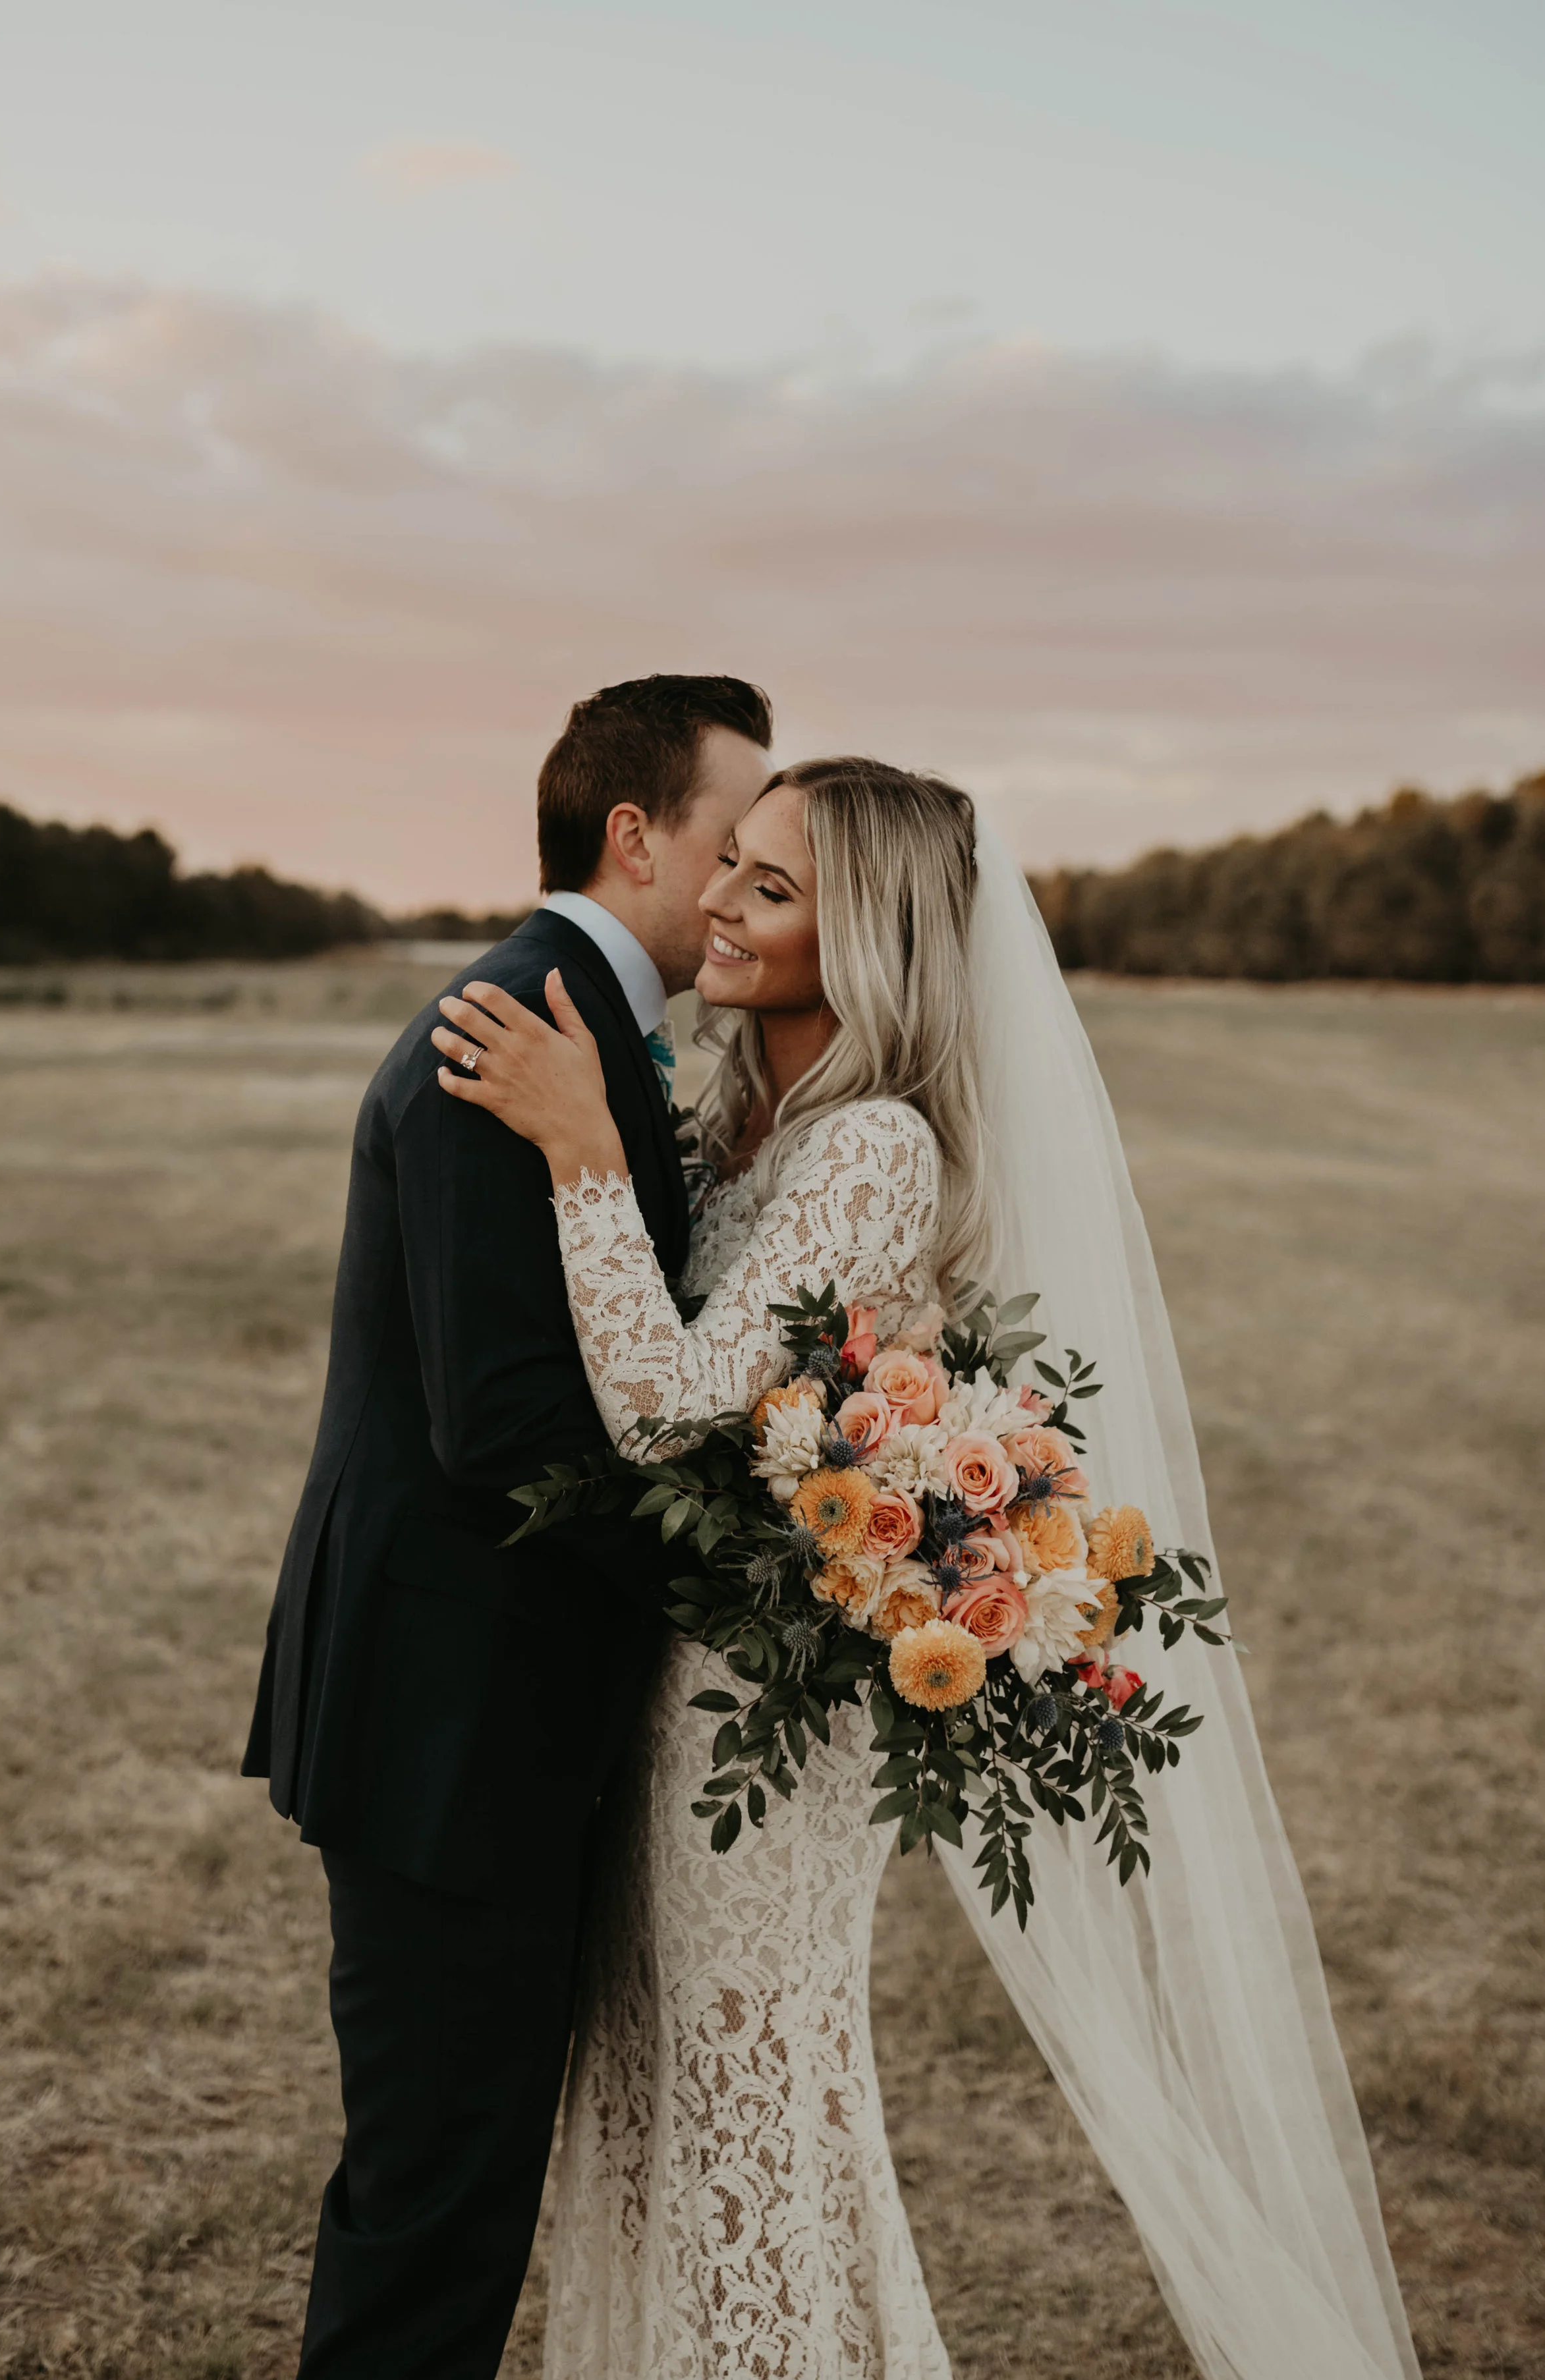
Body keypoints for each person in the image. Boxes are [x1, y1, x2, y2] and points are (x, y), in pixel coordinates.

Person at [431, 758, 1423, 2380]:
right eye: (727, 866)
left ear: (871, 934)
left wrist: (578, 1155)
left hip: (753, 1726)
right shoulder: (731, 1101)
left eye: (769, 888)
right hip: (659, 1677)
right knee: (654, 2084)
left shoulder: (874, 1148)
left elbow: (670, 1402)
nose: (719, 906)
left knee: (750, 2095)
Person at [240, 674, 773, 2378]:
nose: (752, 868)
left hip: (483, 1702)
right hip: (444, 1716)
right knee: (434, 2202)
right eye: (733, 834)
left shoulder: (598, 1029)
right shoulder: (517, 1028)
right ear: (634, 835)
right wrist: (764, 1595)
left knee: (455, 2179)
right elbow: (511, 1425)